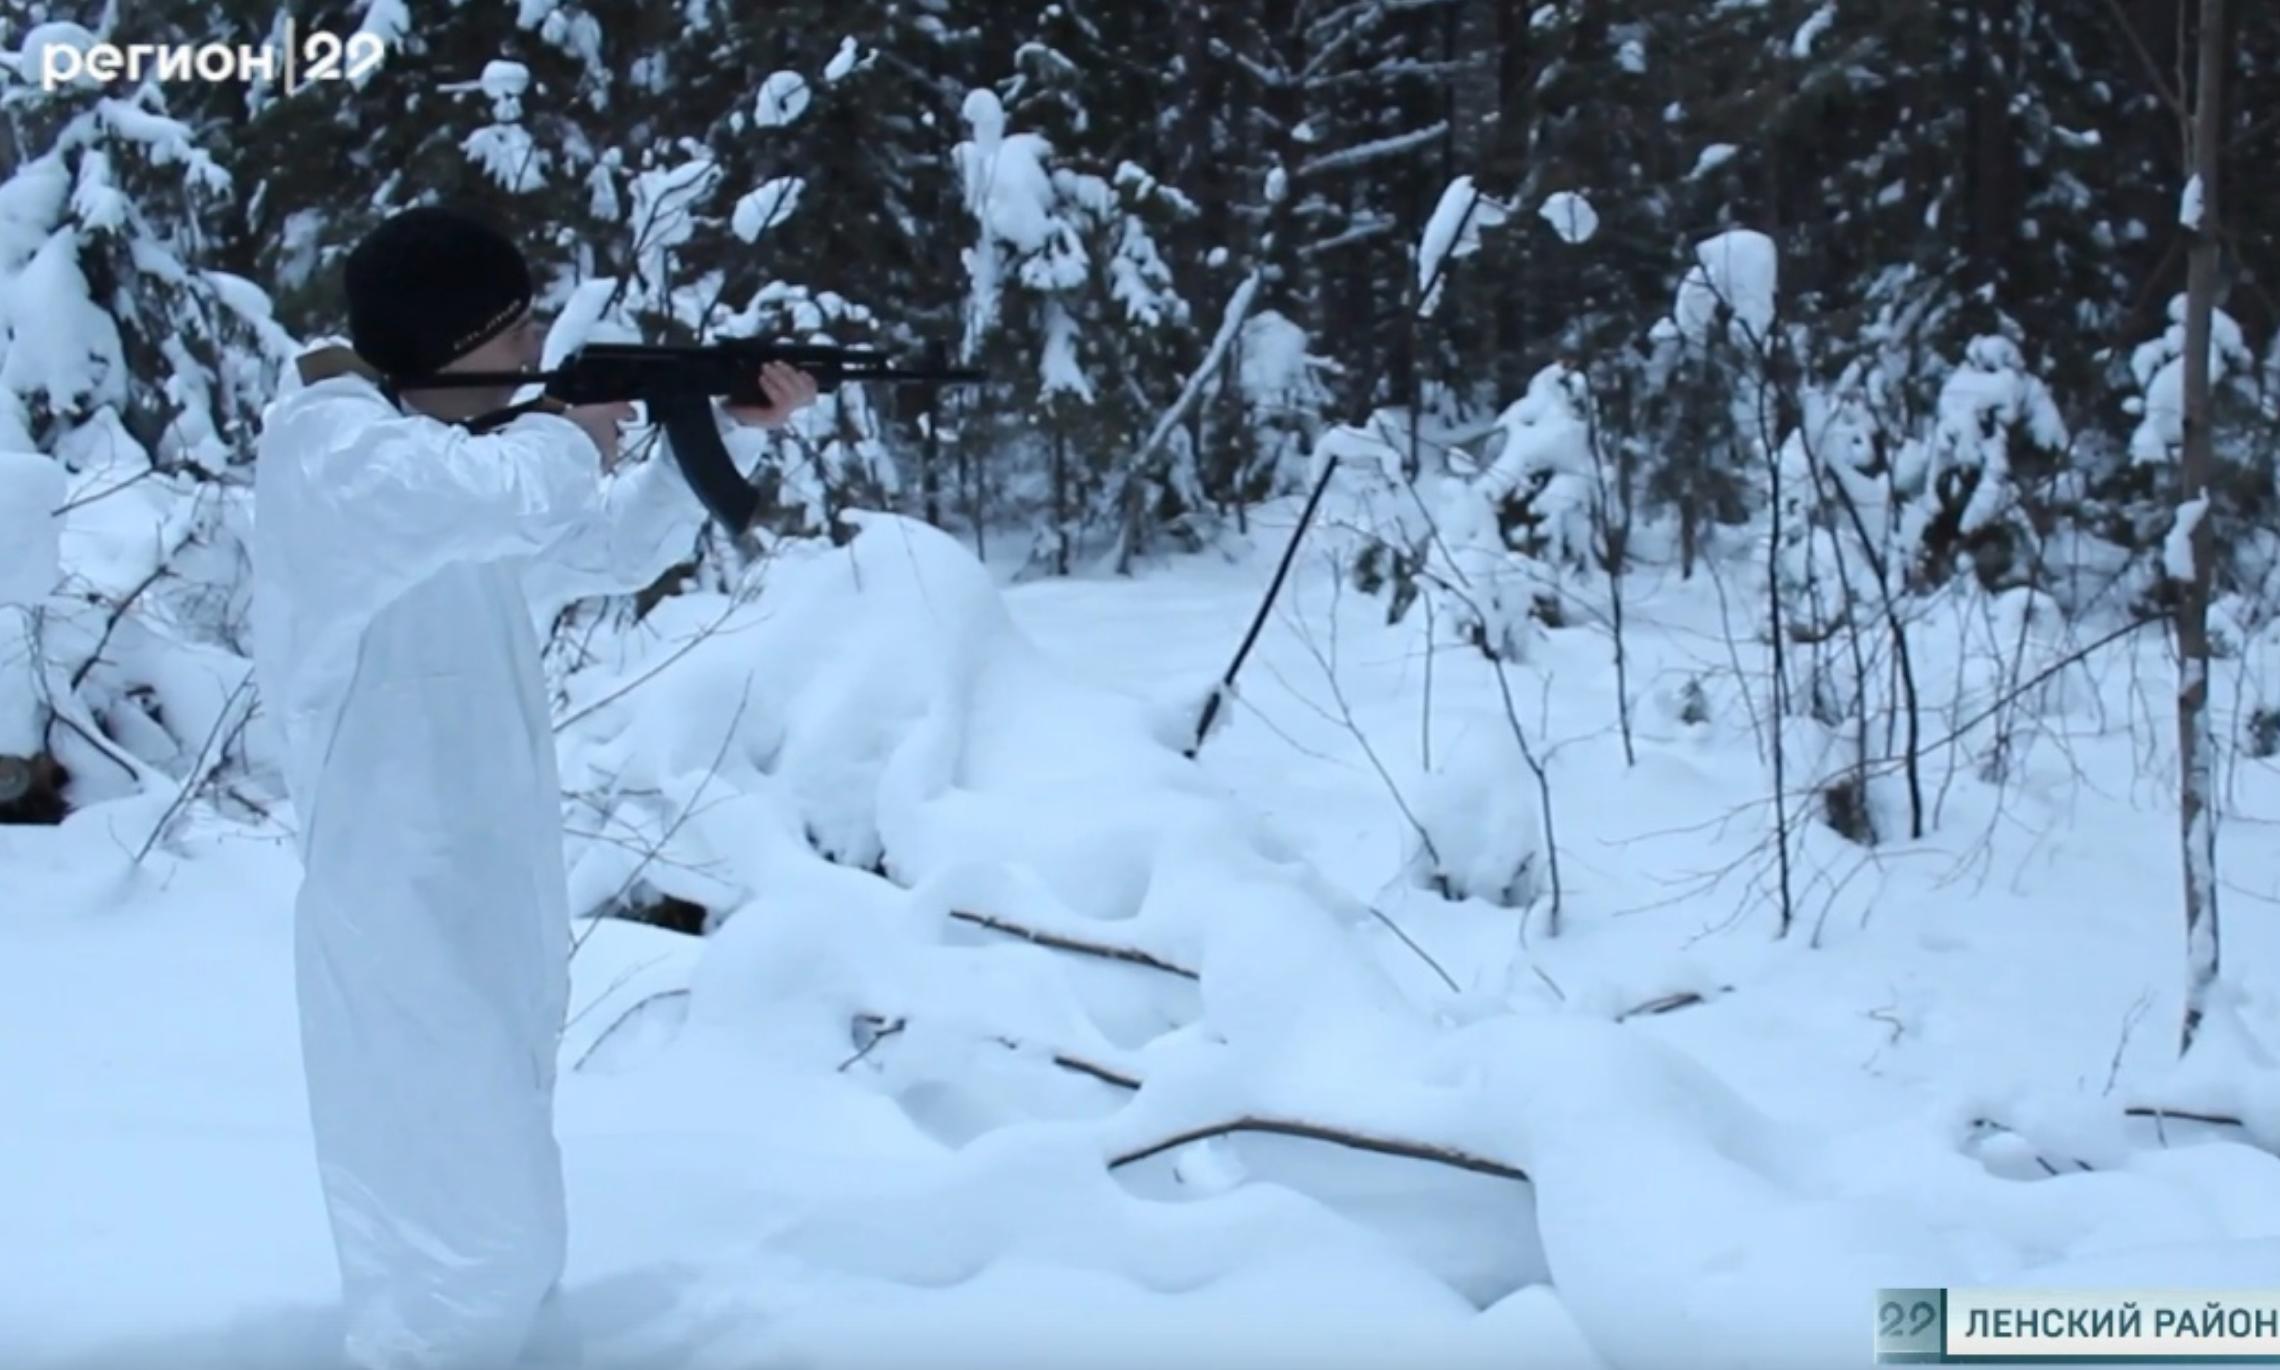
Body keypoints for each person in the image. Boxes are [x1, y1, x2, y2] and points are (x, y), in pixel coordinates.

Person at [248, 206, 815, 1370]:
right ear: (447, 336)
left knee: (497, 1201)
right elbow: (506, 490)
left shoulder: (445, 468)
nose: (529, 351)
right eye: (510, 331)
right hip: (400, 903)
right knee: (452, 1214)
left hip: (488, 891)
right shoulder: (335, 447)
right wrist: (570, 429)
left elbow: (597, 548)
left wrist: (724, 429)